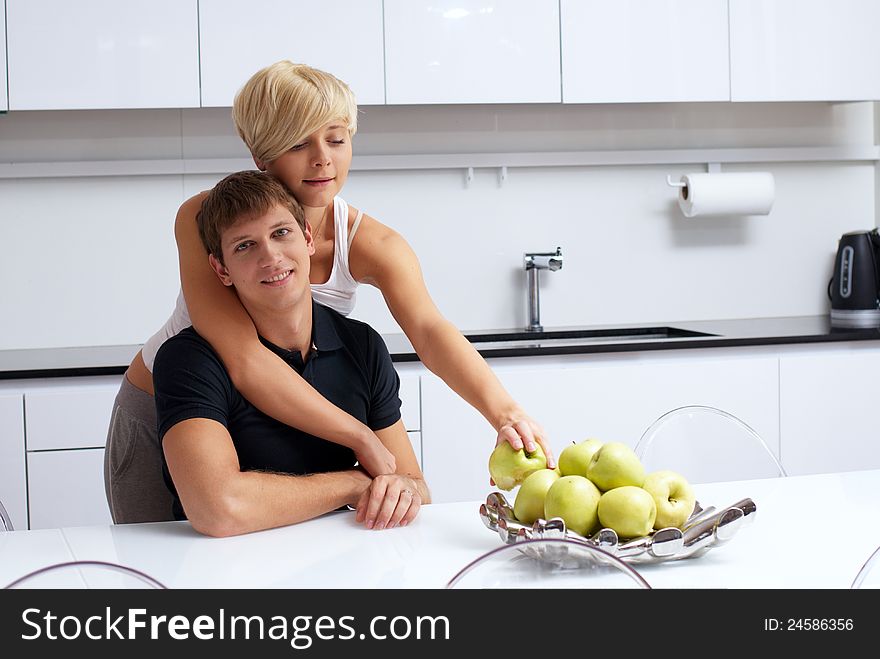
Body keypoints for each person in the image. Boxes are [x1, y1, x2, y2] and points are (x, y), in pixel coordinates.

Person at [104, 60, 553, 524]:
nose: (323, 159)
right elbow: (245, 358)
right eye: (299, 144)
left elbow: (429, 328)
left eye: (337, 139)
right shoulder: (206, 218)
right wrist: (360, 441)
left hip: (286, 413)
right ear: (262, 156)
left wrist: (505, 413)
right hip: (172, 404)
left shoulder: (372, 245)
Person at [154, 170, 428, 537]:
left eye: (281, 233)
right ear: (221, 270)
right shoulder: (189, 360)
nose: (270, 256)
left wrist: (404, 490)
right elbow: (218, 507)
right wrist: (352, 484)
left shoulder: (363, 346)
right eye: (244, 246)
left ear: (308, 239)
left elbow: (414, 485)